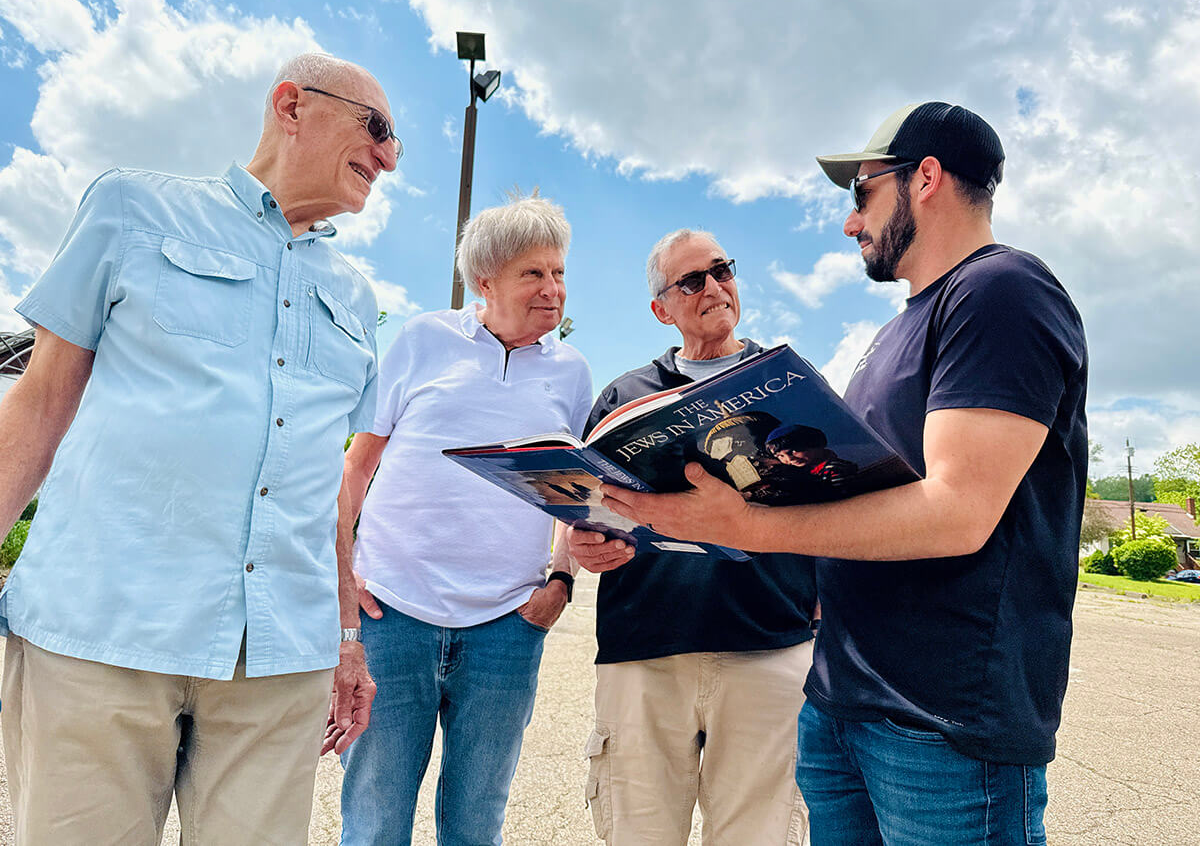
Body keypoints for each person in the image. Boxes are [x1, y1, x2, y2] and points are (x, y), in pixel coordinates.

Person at [582, 103, 1088, 845]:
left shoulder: (1001, 290)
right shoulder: (900, 328)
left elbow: (958, 511)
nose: (852, 224)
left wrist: (745, 526)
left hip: (940, 728)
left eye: (862, 196)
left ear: (925, 178)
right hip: (846, 706)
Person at [0, 52, 399, 844]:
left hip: (279, 659)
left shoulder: (356, 295)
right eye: (377, 129)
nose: (388, 157)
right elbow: (39, 404)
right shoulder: (132, 209)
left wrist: (349, 638)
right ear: (291, 106)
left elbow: (327, 480)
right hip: (102, 632)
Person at [333, 195, 593, 846]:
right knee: (375, 816)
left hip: (507, 628)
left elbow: (575, 493)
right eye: (534, 273)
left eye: (559, 273)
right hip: (393, 617)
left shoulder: (572, 372)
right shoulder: (423, 340)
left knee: (478, 822)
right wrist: (344, 585)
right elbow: (356, 468)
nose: (552, 289)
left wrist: (559, 584)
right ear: (486, 280)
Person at [570, 229, 816, 846]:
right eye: (692, 281)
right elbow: (586, 507)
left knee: (757, 834)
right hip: (645, 649)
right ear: (662, 309)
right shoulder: (622, 398)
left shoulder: (792, 383)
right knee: (639, 834)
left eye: (722, 270)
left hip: (769, 645)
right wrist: (582, 549)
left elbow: (837, 498)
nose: (714, 287)